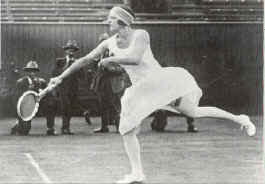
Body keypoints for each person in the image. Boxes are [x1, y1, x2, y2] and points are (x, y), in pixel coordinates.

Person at [48, 5, 256, 183]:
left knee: (193, 113)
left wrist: (111, 60)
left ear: (123, 21)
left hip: (160, 82)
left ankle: (240, 119)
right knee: (128, 129)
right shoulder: (109, 42)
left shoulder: (141, 35)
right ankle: (137, 172)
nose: (108, 22)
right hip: (142, 90)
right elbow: (84, 60)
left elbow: (136, 58)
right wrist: (61, 77)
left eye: (112, 19)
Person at [91, 33, 132, 133]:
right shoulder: (100, 55)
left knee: (116, 106)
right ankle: (104, 127)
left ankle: (120, 127)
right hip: (102, 84)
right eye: (101, 43)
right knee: (103, 106)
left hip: (114, 84)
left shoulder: (118, 53)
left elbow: (123, 68)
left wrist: (109, 68)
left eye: (104, 42)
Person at [52, 40, 92, 135]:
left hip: (73, 88)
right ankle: (65, 128)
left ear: (75, 52)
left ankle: (67, 127)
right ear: (65, 51)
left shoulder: (78, 62)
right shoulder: (59, 61)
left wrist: (81, 68)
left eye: (73, 50)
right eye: (69, 49)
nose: (71, 51)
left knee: (70, 107)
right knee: (65, 107)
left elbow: (81, 76)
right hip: (62, 88)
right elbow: (54, 73)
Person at [11, 61, 57, 136]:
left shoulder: (42, 82)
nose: (32, 73)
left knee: (50, 105)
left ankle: (50, 128)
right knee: (24, 132)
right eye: (30, 71)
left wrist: (45, 92)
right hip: (26, 107)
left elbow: (49, 95)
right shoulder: (21, 82)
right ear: (27, 71)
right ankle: (17, 125)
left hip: (39, 105)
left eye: (34, 71)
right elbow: (17, 99)